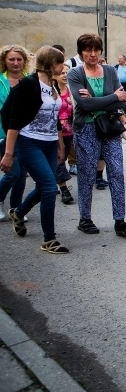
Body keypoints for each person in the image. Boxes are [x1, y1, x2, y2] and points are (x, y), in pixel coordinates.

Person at [67, 34, 126, 238]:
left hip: (110, 127)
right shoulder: (75, 73)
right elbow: (84, 104)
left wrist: (98, 101)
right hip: (86, 128)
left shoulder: (109, 70)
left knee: (117, 172)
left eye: (96, 49)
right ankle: (85, 219)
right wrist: (112, 97)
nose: (93, 54)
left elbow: (122, 102)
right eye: (88, 50)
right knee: (87, 174)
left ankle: (120, 221)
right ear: (81, 52)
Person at [0, 46, 68, 253]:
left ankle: (18, 212)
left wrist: (60, 144)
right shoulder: (29, 84)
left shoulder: (53, 84)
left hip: (50, 143)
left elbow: (54, 118)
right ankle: (49, 239)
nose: (63, 66)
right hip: (29, 143)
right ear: (52, 64)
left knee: (44, 187)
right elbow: (13, 120)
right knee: (49, 187)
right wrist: (9, 153)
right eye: (61, 62)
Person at [0, 44, 30, 222]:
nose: (16, 62)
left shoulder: (30, 80)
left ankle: (16, 208)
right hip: (3, 133)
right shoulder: (0, 81)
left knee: (22, 174)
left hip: (26, 134)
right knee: (13, 172)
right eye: (11, 59)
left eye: (19, 59)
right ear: (4, 61)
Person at [54, 64, 75, 205]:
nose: (65, 75)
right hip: (54, 132)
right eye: (61, 73)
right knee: (59, 160)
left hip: (69, 132)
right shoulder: (51, 91)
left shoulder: (71, 90)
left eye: (67, 73)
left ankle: (49, 182)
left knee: (62, 158)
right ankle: (64, 190)